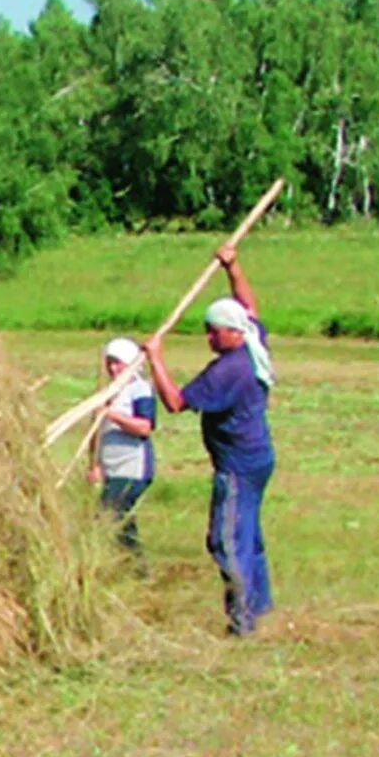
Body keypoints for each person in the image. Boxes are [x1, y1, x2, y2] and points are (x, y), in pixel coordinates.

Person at [142, 243, 277, 637]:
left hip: (236, 466)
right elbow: (247, 305)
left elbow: (174, 402)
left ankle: (243, 621)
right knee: (248, 532)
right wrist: (232, 267)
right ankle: (258, 603)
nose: (208, 338)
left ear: (232, 333)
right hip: (258, 457)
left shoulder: (228, 372)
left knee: (226, 540)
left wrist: (155, 358)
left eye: (212, 331)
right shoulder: (253, 341)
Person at [87, 337, 156, 554]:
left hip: (132, 466)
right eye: (109, 363)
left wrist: (111, 414)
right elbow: (96, 433)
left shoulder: (140, 389)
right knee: (120, 519)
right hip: (110, 467)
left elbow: (144, 427)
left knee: (110, 513)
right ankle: (132, 566)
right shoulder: (107, 391)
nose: (113, 368)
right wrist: (95, 465)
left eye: (118, 363)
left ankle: (132, 565)